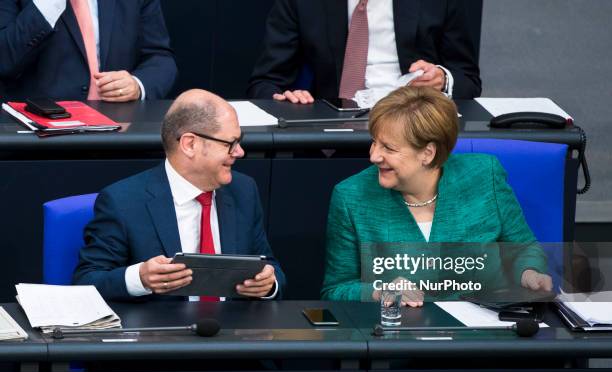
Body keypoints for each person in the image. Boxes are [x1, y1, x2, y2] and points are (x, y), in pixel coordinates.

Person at [321, 87, 552, 306]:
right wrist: (379, 291)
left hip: (486, 329)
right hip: (400, 336)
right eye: (374, 142)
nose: (374, 156)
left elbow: (524, 248)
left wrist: (529, 274)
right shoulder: (351, 196)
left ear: (428, 153)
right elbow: (336, 289)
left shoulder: (484, 175)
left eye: (388, 148)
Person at [74, 89, 286, 300]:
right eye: (229, 143)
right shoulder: (123, 201)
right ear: (190, 144)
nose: (239, 152)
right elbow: (86, 281)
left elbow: (269, 266)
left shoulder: (243, 190)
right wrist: (139, 279)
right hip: (161, 329)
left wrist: (269, 285)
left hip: (233, 327)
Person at [247, 0, 482, 104]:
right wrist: (284, 100)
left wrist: (442, 79)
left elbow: (468, 80)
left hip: (414, 127)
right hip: (332, 134)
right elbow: (265, 83)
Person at [0, 0, 177, 101]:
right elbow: (4, 59)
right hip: (37, 140)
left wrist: (137, 85)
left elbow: (160, 58)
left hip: (119, 135)